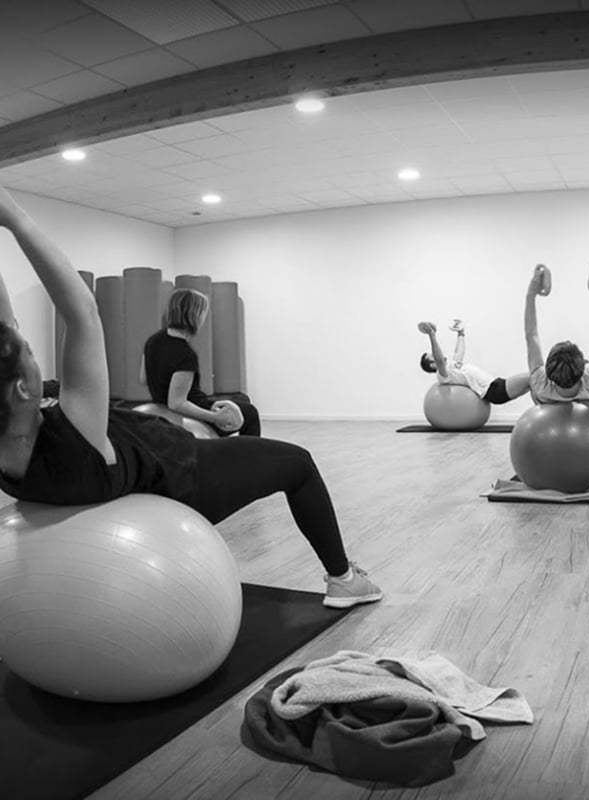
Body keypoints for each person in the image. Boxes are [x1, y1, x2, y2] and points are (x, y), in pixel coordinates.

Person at [0, 186, 380, 609]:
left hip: (149, 456)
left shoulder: (11, 447)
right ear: (20, 388)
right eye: (30, 354)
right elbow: (82, 313)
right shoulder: (73, 433)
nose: (31, 350)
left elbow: (6, 324)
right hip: (184, 476)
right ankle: (344, 578)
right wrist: (15, 218)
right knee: (298, 463)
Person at [141, 289, 260, 437]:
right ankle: (250, 456)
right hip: (192, 412)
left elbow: (143, 378)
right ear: (194, 315)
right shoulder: (185, 354)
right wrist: (214, 417)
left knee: (237, 404)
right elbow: (176, 403)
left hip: (162, 405)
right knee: (250, 413)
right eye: (203, 313)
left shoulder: (153, 340)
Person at [524, 262, 589, 403]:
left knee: (530, 380)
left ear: (548, 373)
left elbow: (531, 336)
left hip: (546, 401)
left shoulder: (541, 385)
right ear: (583, 371)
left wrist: (531, 294)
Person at [417, 319, 531, 405]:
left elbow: (459, 351)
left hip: (496, 383)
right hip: (493, 391)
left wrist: (461, 333)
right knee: (533, 377)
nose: (439, 355)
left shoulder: (452, 368)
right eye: (433, 356)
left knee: (535, 382)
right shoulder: (442, 376)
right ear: (433, 364)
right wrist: (432, 336)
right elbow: (440, 360)